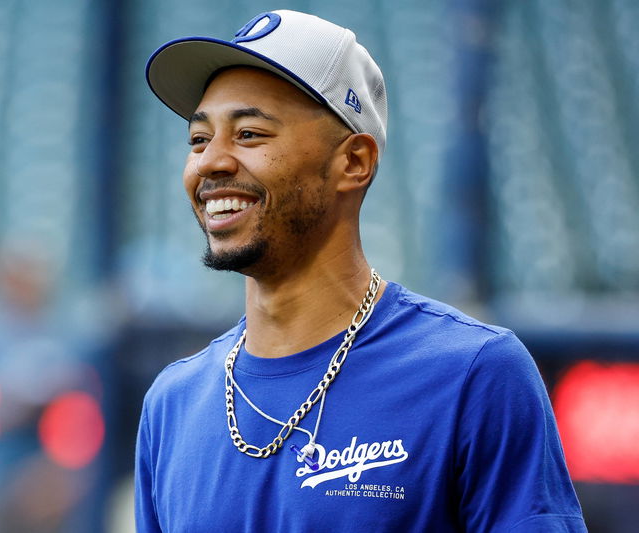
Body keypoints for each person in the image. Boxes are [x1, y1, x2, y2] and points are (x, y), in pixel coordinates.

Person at [136, 10, 586, 532]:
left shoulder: (474, 373)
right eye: (198, 139)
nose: (210, 162)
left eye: (250, 134)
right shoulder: (172, 402)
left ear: (353, 162)